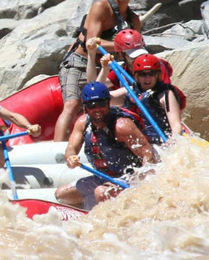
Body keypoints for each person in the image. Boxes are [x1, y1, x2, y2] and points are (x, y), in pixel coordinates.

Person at [54, 0, 140, 142]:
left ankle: (109, 142)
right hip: (78, 62)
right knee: (72, 104)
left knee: (116, 102)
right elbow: (91, 42)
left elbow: (133, 52)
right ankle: (57, 151)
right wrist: (122, 45)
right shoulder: (101, 7)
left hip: (103, 68)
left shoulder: (133, 20)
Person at [54, 82, 157, 210]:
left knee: (101, 192)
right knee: (62, 194)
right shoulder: (82, 123)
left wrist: (143, 182)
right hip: (104, 178)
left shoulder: (122, 126)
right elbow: (71, 149)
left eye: (101, 104)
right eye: (92, 106)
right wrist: (70, 158)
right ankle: (89, 212)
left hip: (129, 177)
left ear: (108, 103)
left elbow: (148, 155)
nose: (97, 109)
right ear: (85, 107)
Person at [123, 54, 185, 144]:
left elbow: (176, 125)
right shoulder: (130, 91)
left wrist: (172, 141)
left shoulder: (165, 94)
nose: (147, 78)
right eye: (142, 74)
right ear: (137, 76)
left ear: (157, 75)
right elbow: (105, 98)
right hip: (141, 144)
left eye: (151, 73)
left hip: (162, 142)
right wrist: (104, 67)